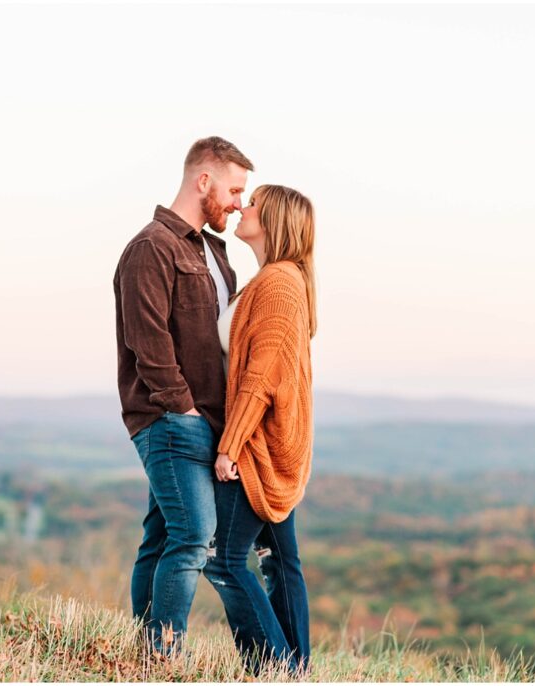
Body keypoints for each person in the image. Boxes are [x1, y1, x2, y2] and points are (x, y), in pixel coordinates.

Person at [113, 136, 254, 655]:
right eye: (235, 189)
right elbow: (146, 340)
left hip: (204, 421)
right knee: (195, 536)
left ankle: (144, 653)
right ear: (204, 180)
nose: (239, 202)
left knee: (163, 538)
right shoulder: (152, 247)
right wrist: (185, 409)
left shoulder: (215, 252)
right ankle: (163, 656)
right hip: (171, 419)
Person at [202, 184, 316, 675]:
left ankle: (276, 671)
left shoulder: (276, 284)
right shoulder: (277, 280)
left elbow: (262, 375)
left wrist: (231, 445)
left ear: (272, 220)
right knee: (280, 563)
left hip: (257, 447)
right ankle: (297, 671)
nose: (242, 207)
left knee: (223, 560)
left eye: (252, 204)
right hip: (276, 444)